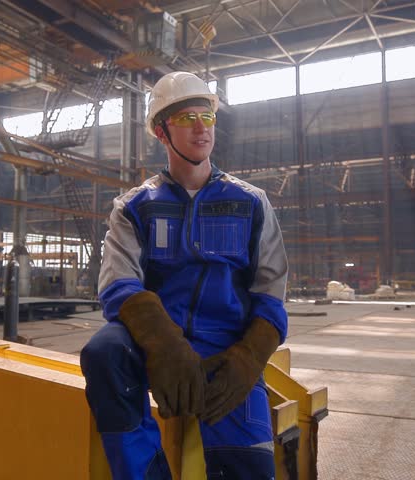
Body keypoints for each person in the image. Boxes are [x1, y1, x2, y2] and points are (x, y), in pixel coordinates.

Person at [80, 71, 288, 479]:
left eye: (206, 117)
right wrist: (165, 345)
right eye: (187, 118)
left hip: (228, 347)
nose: (200, 127)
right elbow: (118, 284)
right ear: (161, 131)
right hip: (157, 342)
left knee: (249, 470)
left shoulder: (250, 202)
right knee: (103, 352)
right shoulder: (134, 206)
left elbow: (271, 290)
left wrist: (249, 358)